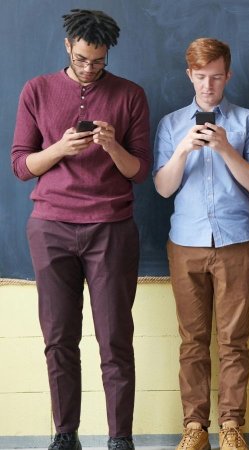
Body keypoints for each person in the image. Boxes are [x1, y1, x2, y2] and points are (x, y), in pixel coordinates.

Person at [10, 9, 150, 450]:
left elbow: (139, 171)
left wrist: (111, 145)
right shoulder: (37, 90)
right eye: (83, 59)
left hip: (111, 228)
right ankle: (65, 434)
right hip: (50, 226)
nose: (90, 69)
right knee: (59, 339)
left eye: (100, 61)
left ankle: (120, 438)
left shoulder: (130, 94)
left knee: (115, 338)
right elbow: (21, 165)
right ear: (68, 45)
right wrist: (60, 148)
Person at [153, 38, 249, 450]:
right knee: (192, 341)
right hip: (186, 242)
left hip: (236, 241)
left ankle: (232, 426)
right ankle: (195, 427)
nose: (208, 85)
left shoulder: (247, 121)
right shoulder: (171, 124)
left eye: (216, 77)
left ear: (228, 75)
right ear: (190, 75)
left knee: (234, 340)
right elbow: (163, 188)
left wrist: (225, 148)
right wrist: (184, 149)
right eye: (201, 77)